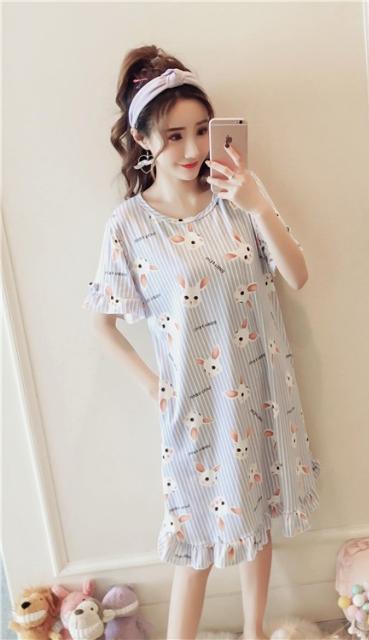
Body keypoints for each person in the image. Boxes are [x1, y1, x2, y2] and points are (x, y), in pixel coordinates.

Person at [81, 45, 321, 640]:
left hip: (261, 392)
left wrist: (257, 203)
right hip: (194, 408)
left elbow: (296, 276)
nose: (192, 150)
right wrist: (153, 387)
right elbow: (101, 323)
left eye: (200, 131)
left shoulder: (238, 202)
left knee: (257, 523)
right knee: (196, 541)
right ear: (142, 140)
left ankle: (255, 631)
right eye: (174, 135)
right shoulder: (130, 226)